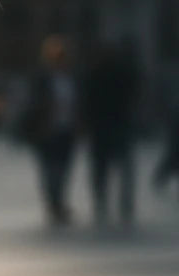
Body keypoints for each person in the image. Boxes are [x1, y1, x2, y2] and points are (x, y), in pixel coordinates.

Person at [21, 34, 80, 225]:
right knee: (49, 169)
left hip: (66, 129)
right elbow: (32, 102)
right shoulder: (42, 78)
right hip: (47, 129)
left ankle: (59, 201)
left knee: (63, 168)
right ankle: (54, 203)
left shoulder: (72, 77)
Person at [83, 37, 142, 226]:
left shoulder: (95, 72)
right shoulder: (119, 72)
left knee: (103, 168)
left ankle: (103, 200)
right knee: (121, 167)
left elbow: (88, 101)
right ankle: (121, 202)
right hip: (115, 124)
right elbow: (135, 93)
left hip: (104, 126)